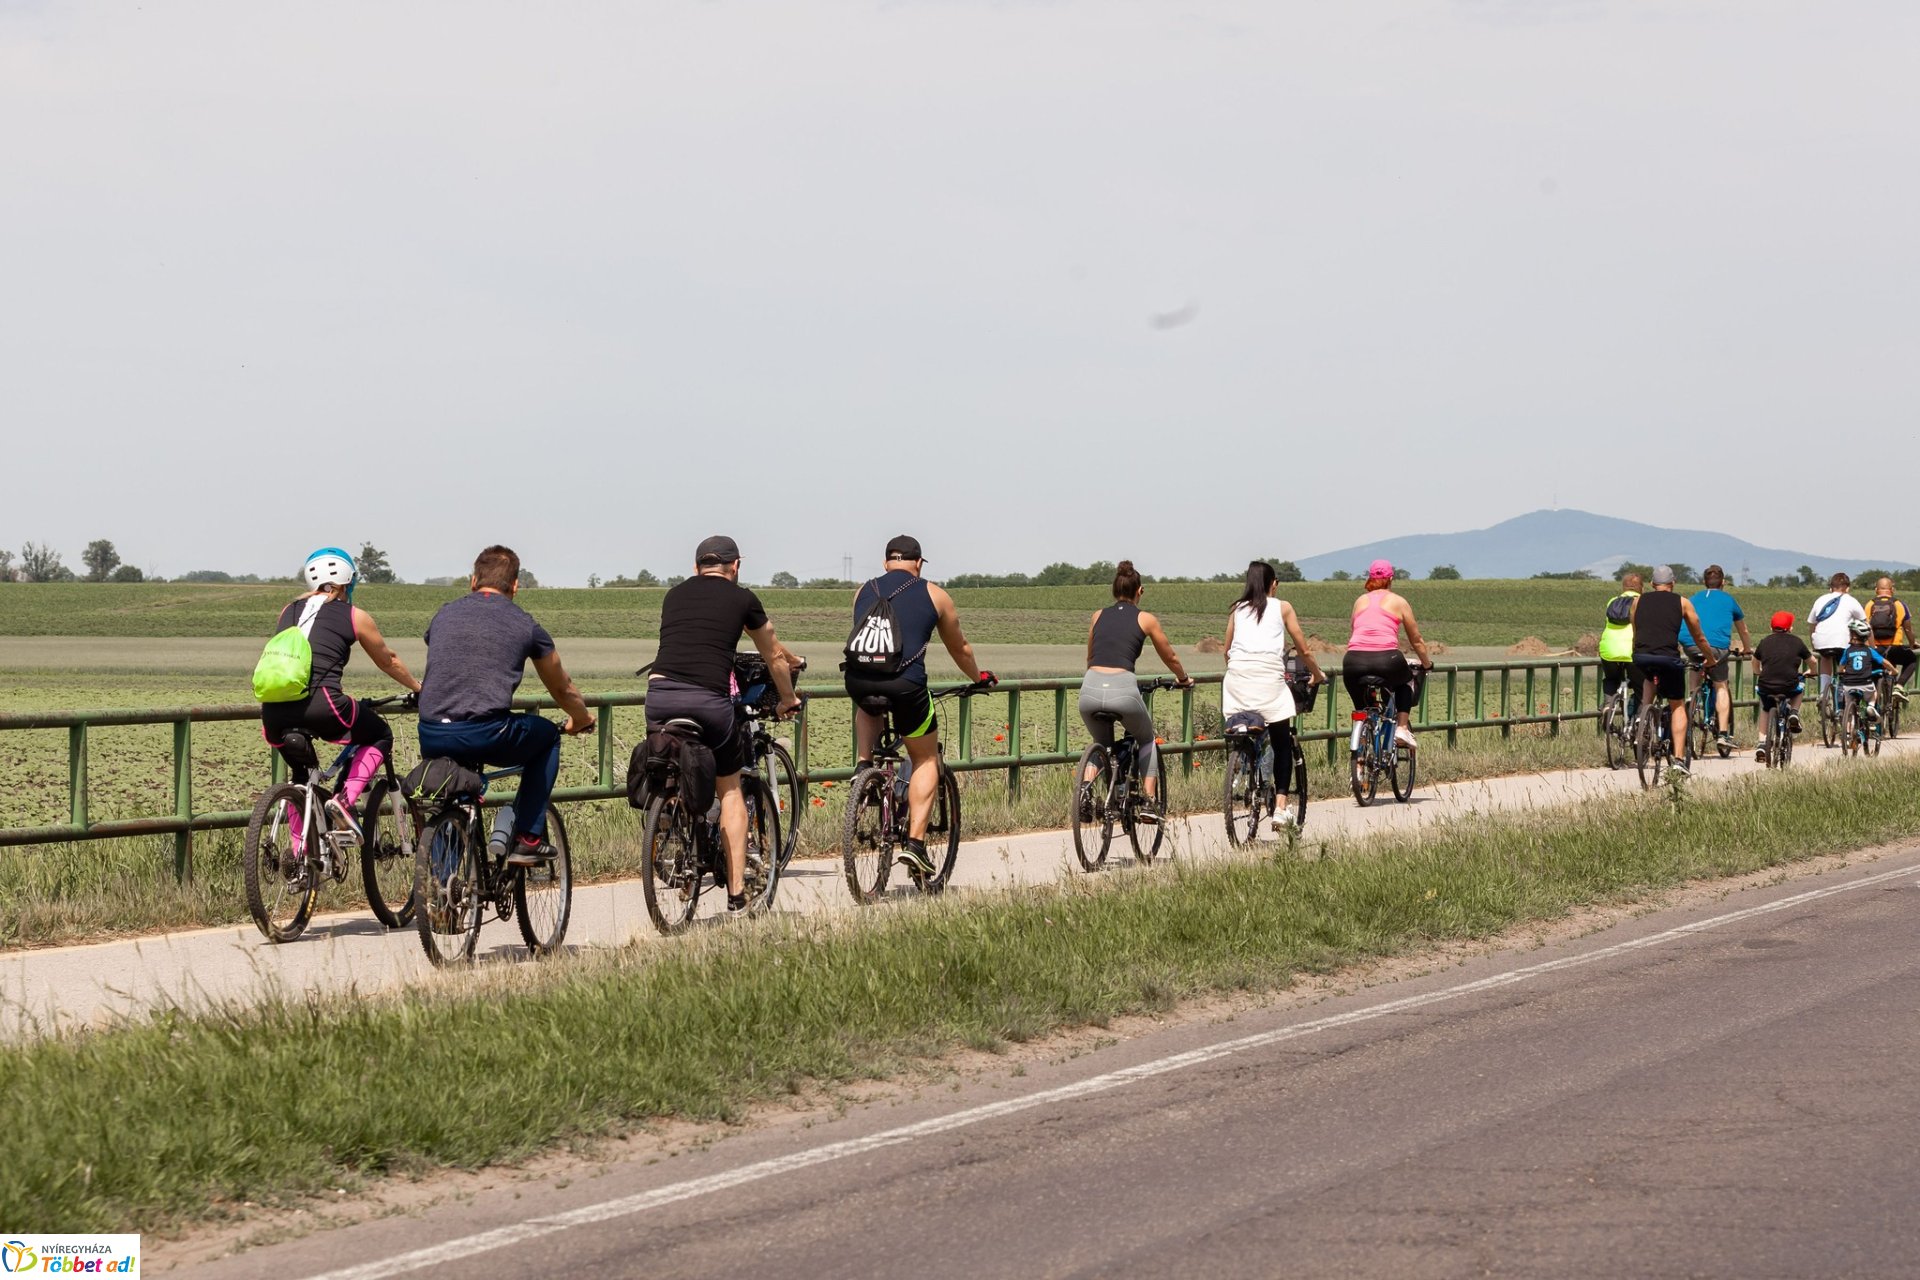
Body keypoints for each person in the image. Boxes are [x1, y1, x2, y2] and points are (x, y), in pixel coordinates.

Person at [645, 535, 801, 914]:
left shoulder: (673, 595)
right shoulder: (742, 598)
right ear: (735, 567)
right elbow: (774, 654)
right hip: (707, 700)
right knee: (731, 790)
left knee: (674, 764)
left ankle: (671, 820)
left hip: (659, 696)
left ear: (696, 566)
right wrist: (787, 698)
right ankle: (736, 896)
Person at [418, 546, 594, 867]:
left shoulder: (444, 614)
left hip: (431, 731)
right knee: (547, 738)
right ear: (515, 586)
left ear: (473, 581)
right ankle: (528, 838)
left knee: (456, 794)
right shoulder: (525, 624)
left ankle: (442, 897)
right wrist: (581, 718)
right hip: (486, 732)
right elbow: (561, 687)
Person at [843, 535, 992, 878]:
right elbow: (960, 647)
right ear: (919, 563)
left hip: (858, 681)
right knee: (925, 757)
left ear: (885, 563)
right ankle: (916, 846)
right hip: (906, 685)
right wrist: (978, 676)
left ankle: (863, 766)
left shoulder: (863, 590)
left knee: (868, 703)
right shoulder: (934, 593)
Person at [260, 547, 421, 841]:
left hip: (273, 712)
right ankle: (344, 802)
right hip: (325, 706)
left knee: (300, 781)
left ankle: (300, 856)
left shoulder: (288, 610)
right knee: (379, 734)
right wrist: (419, 689)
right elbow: (388, 660)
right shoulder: (354, 615)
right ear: (350, 581)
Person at [1078, 561, 1193, 820]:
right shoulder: (1146, 619)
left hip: (1090, 689)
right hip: (1124, 690)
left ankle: (1085, 793)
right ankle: (1150, 803)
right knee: (1147, 739)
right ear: (1139, 591)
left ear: (1114, 590)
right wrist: (1183, 679)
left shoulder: (1097, 616)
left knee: (1101, 745)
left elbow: (1090, 656)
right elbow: (1171, 657)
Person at [1223, 560, 1325, 830]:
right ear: (1273, 584)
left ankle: (1242, 763)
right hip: (1269, 681)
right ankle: (1280, 808)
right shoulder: (1283, 607)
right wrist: (1317, 674)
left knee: (1244, 728)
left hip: (1235, 681)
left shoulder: (1236, 610)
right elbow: (1303, 648)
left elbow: (1227, 651)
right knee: (1281, 744)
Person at [1629, 565, 1716, 775]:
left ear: (1652, 584)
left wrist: (1638, 652)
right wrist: (1710, 659)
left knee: (1649, 676)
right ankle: (1678, 759)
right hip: (1668, 658)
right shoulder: (1682, 602)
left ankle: (1643, 716)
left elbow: (1635, 629)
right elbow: (1699, 636)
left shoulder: (1638, 601)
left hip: (1640, 656)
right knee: (1677, 705)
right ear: (1673, 583)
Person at [1342, 559, 1433, 749]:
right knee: (1406, 681)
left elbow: (1353, 631)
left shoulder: (1360, 601)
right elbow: (1416, 639)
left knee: (1362, 706)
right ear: (1391, 578)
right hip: (1387, 659)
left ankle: (1361, 744)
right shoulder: (1399, 601)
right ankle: (1401, 728)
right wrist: (1427, 664)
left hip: (1353, 660)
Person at [1683, 565, 1752, 753]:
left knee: (1696, 667)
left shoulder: (1693, 599)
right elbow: (1742, 629)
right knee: (1720, 685)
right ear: (1723, 582)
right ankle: (1722, 734)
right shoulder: (1729, 600)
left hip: (1689, 644)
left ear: (1704, 582)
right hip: (1716, 647)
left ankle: (1692, 698)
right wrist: (1746, 649)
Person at [1751, 611, 1813, 762]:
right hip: (1789, 685)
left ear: (1770, 627)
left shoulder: (1764, 641)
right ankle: (1793, 712)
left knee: (1765, 708)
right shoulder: (1797, 642)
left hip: (1766, 684)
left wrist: (1758, 672)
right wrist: (1812, 671)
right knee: (1800, 686)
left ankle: (1761, 743)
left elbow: (1754, 660)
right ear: (1790, 628)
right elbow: (1813, 661)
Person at [1808, 573, 1867, 706]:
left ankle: (1823, 693)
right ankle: (1843, 690)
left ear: (1831, 587)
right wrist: (1871, 647)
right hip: (1843, 641)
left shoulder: (1820, 600)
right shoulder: (1851, 600)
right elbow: (1865, 623)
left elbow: (1811, 624)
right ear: (1847, 588)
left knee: (1825, 658)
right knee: (1846, 661)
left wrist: (1814, 644)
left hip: (1821, 641)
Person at [1598, 573, 1643, 720]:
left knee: (1611, 679)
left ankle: (1607, 706)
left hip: (1608, 650)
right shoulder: (1642, 602)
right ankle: (1638, 722)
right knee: (1640, 686)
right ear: (1641, 587)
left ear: (1623, 587)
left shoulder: (1612, 601)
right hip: (1632, 650)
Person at [1866, 577, 1916, 701]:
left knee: (1873, 671)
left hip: (1875, 649)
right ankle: (1899, 686)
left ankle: (1872, 701)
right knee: (1912, 659)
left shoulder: (1870, 605)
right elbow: (1908, 629)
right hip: (1894, 648)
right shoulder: (1899, 605)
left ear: (1876, 590)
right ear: (1892, 589)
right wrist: (1912, 643)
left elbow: (1865, 628)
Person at [1835, 617, 1891, 724]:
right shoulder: (1869, 651)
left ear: (1852, 635)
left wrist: (1843, 670)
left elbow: (1841, 668)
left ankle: (1848, 732)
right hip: (1866, 684)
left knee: (1849, 706)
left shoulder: (1847, 651)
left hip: (1849, 684)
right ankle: (1870, 706)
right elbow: (1884, 662)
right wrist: (1893, 671)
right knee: (1873, 694)